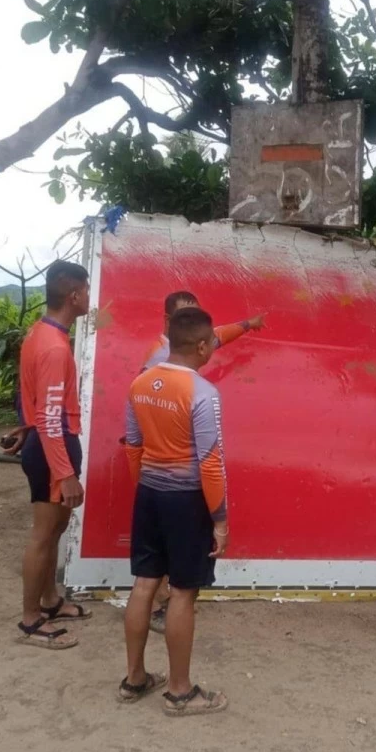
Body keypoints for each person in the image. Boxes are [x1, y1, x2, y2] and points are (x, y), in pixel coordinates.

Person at [119, 306, 231, 716]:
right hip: (187, 503)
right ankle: (180, 692)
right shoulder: (203, 393)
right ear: (201, 346)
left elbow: (132, 444)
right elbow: (210, 462)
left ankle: (134, 679)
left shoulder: (141, 383)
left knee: (144, 583)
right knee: (183, 592)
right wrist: (219, 519)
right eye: (211, 344)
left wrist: (147, 487)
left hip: (149, 494)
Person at [141, 290, 263, 634]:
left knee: (150, 570)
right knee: (174, 567)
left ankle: (160, 604)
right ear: (170, 324)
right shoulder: (162, 365)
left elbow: (218, 334)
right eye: (186, 317)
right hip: (176, 482)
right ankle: (165, 606)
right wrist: (220, 520)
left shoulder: (188, 353)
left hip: (158, 482)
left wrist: (248, 325)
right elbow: (208, 461)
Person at [9, 260, 94, 649]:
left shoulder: (39, 334)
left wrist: (23, 429)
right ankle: (30, 622)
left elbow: (34, 401)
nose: (90, 298)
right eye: (87, 291)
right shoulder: (55, 349)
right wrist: (65, 473)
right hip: (51, 450)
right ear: (74, 296)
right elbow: (49, 416)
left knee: (55, 530)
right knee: (43, 536)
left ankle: (49, 601)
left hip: (45, 443)